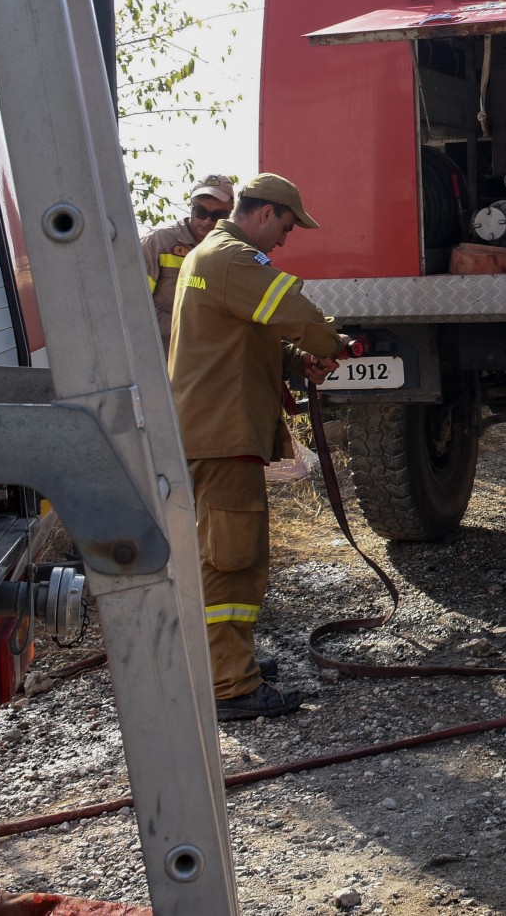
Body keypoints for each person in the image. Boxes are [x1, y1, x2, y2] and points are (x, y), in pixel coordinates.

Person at [169, 173, 347, 720]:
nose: (284, 242)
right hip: (221, 435)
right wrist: (333, 343)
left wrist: (299, 364)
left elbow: (252, 339)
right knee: (233, 562)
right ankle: (230, 686)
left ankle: (222, 662)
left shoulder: (213, 259)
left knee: (219, 556)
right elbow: (294, 311)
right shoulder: (233, 259)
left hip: (214, 431)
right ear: (265, 213)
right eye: (286, 227)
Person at [141, 175, 235, 351]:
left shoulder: (231, 252)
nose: (207, 221)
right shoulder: (158, 243)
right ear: (190, 206)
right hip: (161, 359)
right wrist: (186, 329)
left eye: (218, 215)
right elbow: (134, 303)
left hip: (208, 359)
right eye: (200, 211)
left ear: (230, 213)